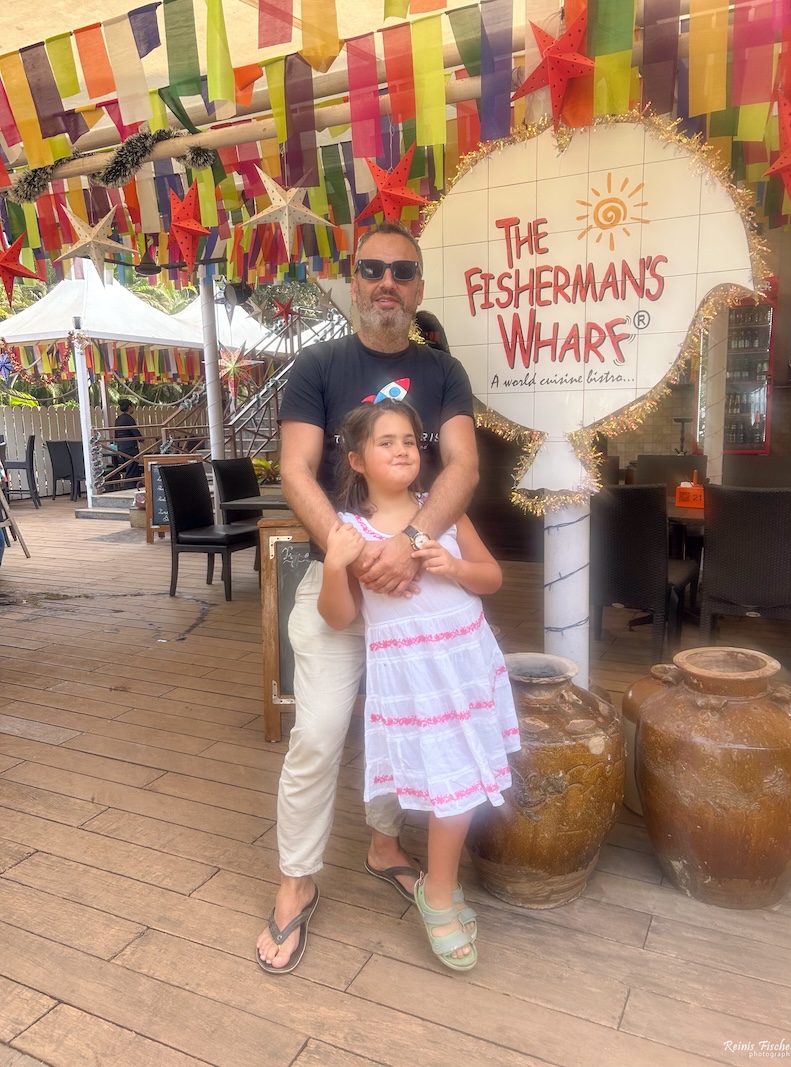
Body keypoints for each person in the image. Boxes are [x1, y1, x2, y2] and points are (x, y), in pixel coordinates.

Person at [256, 219, 479, 974]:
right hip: (339, 585)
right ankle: (296, 878)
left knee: (400, 725)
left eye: (403, 272)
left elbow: (462, 466)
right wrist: (348, 550)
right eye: (374, 269)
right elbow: (295, 468)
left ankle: (385, 844)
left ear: (418, 288)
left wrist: (408, 543)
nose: (388, 282)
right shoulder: (319, 364)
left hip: (415, 589)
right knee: (320, 732)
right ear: (354, 281)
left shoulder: (443, 371)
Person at [319, 400, 519, 970]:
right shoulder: (351, 534)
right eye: (386, 442)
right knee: (452, 786)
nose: (403, 450)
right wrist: (334, 565)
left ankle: (440, 888)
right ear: (357, 460)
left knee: (458, 784)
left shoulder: (443, 512)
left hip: (465, 664)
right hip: (415, 679)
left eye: (409, 440)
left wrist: (451, 567)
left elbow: (492, 577)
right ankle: (438, 895)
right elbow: (339, 617)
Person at [113, 399, 143, 483]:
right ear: (130, 407)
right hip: (130, 447)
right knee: (132, 469)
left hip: (121, 447)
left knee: (130, 468)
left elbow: (116, 435)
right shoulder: (129, 419)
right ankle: (130, 485)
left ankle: (133, 484)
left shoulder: (118, 419)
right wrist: (148, 445)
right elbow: (136, 434)